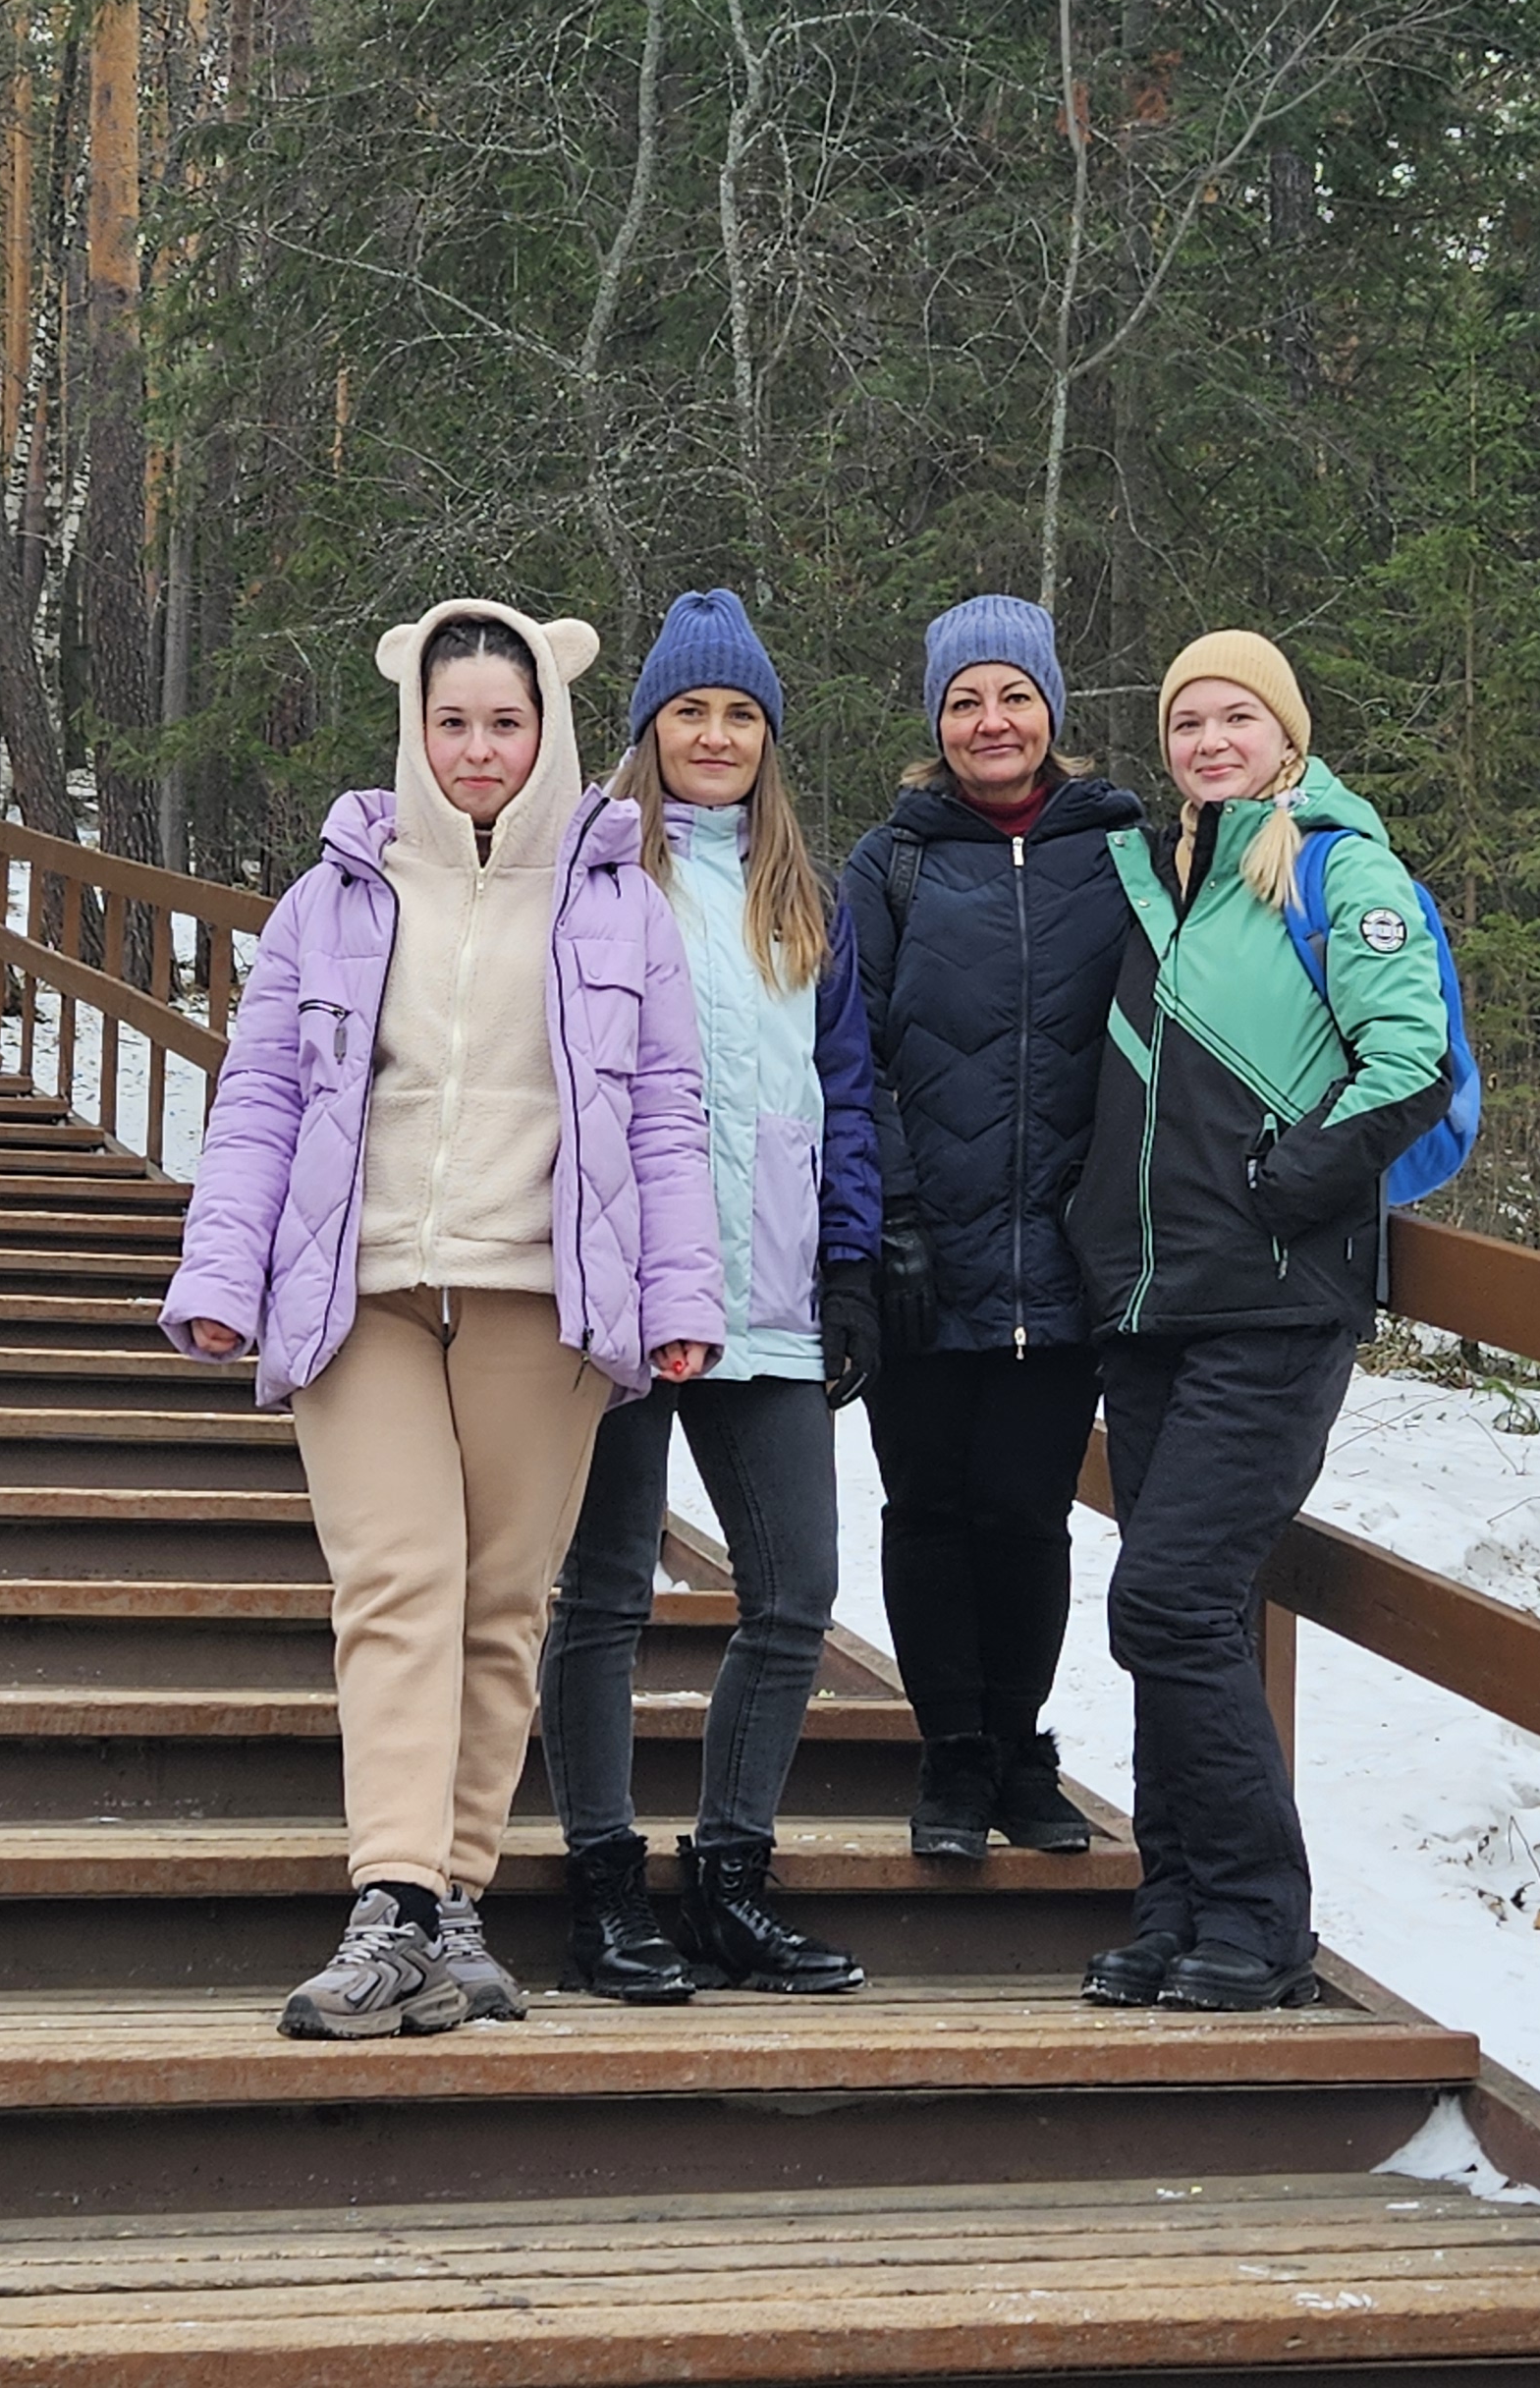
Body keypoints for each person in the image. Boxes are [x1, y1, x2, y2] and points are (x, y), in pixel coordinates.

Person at [162, 599, 723, 2040]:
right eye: (453, 721)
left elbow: (666, 1115)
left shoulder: (619, 902)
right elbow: (262, 1101)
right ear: (414, 729)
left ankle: (455, 1905)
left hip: (547, 1293)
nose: (478, 750)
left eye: (506, 722)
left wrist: (682, 1296)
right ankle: (393, 1901)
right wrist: (222, 1278)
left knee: (500, 1605)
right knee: (398, 1583)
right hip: (361, 1290)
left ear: (551, 735)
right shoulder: (333, 896)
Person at [1067, 632, 1453, 2015]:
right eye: (1188, 720)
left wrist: (1286, 1184)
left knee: (1166, 1602)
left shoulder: (1342, 870)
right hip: (1159, 1308)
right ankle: (1178, 1910)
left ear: (1287, 735)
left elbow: (1413, 1055)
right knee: (1194, 1616)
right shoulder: (1174, 877)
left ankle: (1257, 1921)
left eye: (1238, 717)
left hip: (1274, 1308)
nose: (1211, 740)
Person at [539, 591, 882, 2000]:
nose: (717, 735)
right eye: (691, 711)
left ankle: (731, 1875)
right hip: (623, 1285)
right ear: (647, 729)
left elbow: (845, 1091)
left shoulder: (803, 900)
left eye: (742, 715)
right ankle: (603, 1880)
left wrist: (851, 1256)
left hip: (770, 1288)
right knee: (608, 1588)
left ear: (770, 738)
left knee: (795, 1585)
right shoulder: (598, 873)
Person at [840, 595, 1146, 1860]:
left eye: (1012, 695)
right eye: (965, 699)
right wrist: (893, 1218)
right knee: (928, 1509)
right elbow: (849, 1050)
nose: (991, 720)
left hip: (1065, 1258)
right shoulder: (892, 860)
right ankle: (951, 1757)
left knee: (1025, 1514)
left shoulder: (1124, 851)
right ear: (936, 721)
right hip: (928, 1251)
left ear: (1051, 710)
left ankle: (1022, 1751)